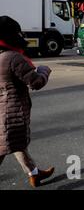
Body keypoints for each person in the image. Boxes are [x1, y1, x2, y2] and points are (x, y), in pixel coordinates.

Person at [0, 16, 54, 188]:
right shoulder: (13, 58)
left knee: (16, 143)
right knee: (6, 144)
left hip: (2, 108)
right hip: (11, 112)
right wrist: (44, 71)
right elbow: (36, 82)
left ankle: (34, 173)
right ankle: (34, 173)